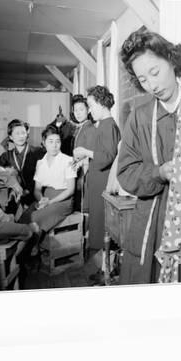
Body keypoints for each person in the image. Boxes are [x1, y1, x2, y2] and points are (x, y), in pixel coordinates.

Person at [116, 28, 181, 284]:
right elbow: (126, 173)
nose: (151, 85)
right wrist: (159, 172)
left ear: (173, 61)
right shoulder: (138, 118)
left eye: (155, 72)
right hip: (153, 224)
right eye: (143, 79)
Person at [73, 86, 121, 252]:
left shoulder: (108, 126)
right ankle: (104, 267)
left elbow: (107, 157)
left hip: (103, 184)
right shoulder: (104, 125)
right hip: (98, 182)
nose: (90, 110)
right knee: (100, 227)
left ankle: (105, 270)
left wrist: (85, 151)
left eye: (91, 106)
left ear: (101, 104)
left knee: (104, 228)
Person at [20, 125, 77, 235]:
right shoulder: (40, 163)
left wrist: (49, 202)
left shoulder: (68, 161)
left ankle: (33, 248)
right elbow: (37, 189)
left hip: (63, 201)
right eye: (50, 141)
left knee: (35, 218)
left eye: (57, 142)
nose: (54, 145)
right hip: (45, 198)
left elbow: (70, 190)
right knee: (26, 216)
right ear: (44, 142)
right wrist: (42, 200)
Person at [0, 119, 45, 208]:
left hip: (36, 196)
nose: (21, 136)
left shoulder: (38, 152)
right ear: (11, 137)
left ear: (27, 134)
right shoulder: (6, 156)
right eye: (17, 133)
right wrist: (7, 171)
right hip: (15, 198)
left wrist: (27, 191)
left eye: (23, 133)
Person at [70, 94, 97, 212]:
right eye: (75, 110)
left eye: (81, 109)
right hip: (77, 170)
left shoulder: (90, 128)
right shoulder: (80, 127)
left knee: (82, 204)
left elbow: (89, 153)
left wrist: (82, 175)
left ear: (88, 110)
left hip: (84, 171)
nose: (78, 113)